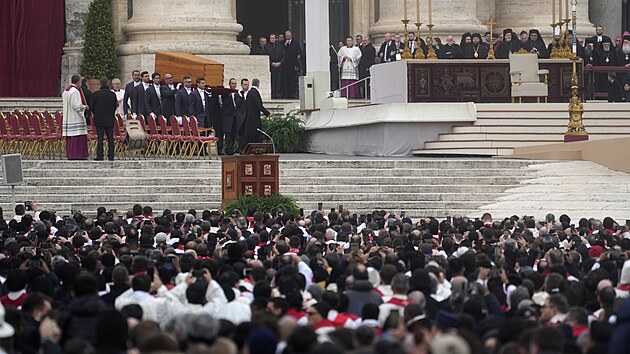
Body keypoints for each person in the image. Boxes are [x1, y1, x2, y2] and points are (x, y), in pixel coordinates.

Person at [62, 74, 89, 160]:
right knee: (77, 136)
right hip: (75, 118)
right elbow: (75, 105)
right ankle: (77, 154)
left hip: (68, 116)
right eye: (80, 81)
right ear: (78, 81)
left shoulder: (66, 90)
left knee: (71, 137)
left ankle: (71, 154)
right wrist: (84, 107)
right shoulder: (75, 91)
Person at [90, 77, 118, 161]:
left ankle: (100, 155)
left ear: (100, 84)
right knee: (110, 137)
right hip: (109, 118)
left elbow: (92, 106)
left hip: (99, 118)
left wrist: (96, 113)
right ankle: (111, 155)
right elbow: (114, 106)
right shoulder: (112, 94)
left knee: (100, 137)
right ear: (108, 83)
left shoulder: (96, 94)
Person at [240, 78, 270, 153]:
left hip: (250, 118)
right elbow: (259, 105)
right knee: (254, 135)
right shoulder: (255, 92)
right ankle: (254, 150)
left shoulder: (250, 92)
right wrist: (267, 113)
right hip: (254, 119)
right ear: (258, 84)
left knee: (253, 135)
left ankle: (255, 150)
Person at [220, 78, 244, 155]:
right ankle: (229, 149)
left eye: (235, 83)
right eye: (232, 83)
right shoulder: (226, 93)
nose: (234, 85)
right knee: (228, 133)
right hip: (227, 117)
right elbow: (225, 104)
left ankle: (231, 148)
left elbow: (239, 105)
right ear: (229, 84)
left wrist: (241, 96)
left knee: (233, 133)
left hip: (235, 117)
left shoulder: (237, 94)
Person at [283, 31, 302, 99]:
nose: (288, 38)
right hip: (285, 66)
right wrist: (285, 45)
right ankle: (286, 94)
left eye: (289, 36)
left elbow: (299, 53)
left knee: (292, 81)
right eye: (287, 36)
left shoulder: (295, 43)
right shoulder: (283, 43)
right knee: (285, 81)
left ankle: (292, 94)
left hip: (293, 65)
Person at [267, 34, 285, 99]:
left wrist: (280, 63)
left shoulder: (280, 46)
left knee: (278, 81)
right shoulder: (267, 46)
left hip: (279, 67)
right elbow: (266, 55)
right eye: (271, 38)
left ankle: (278, 95)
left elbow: (283, 56)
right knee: (272, 81)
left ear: (275, 38)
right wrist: (271, 63)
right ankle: (273, 94)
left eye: (273, 38)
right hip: (271, 67)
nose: (272, 39)